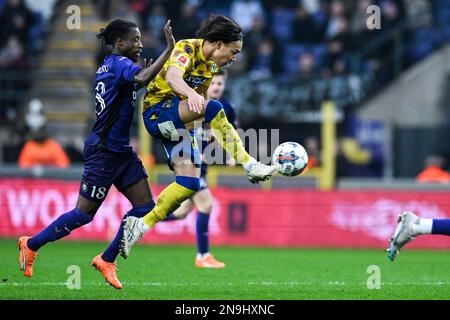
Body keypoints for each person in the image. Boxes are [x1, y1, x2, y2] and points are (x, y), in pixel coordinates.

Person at [17, 19, 176, 289]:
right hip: (103, 152)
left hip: (120, 152)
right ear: (118, 43)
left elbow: (134, 85)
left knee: (145, 207)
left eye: (139, 39)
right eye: (134, 39)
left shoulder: (110, 67)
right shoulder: (118, 63)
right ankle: (31, 244)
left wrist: (148, 69)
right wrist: (169, 49)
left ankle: (107, 259)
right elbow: (142, 78)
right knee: (83, 214)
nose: (139, 44)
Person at [119, 15, 278, 259]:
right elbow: (173, 78)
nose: (234, 58)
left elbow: (199, 106)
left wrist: (199, 130)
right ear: (219, 44)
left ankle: (139, 226)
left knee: (189, 184)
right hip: (156, 113)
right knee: (214, 107)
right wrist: (193, 96)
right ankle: (250, 164)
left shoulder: (211, 67)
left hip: (179, 124)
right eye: (233, 52)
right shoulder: (186, 47)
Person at [163, 69, 236, 268]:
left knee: (180, 213)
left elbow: (231, 134)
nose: (217, 87)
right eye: (213, 84)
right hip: (188, 163)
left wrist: (230, 154)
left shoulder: (226, 107)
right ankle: (203, 256)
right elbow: (178, 130)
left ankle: (137, 221)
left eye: (220, 84)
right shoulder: (194, 103)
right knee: (206, 205)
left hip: (203, 168)